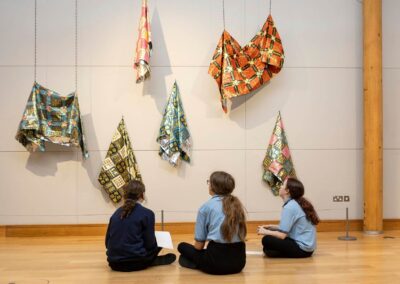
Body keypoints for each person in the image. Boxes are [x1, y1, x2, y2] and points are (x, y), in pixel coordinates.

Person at [177, 171, 247, 275]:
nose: (208, 185)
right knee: (197, 255)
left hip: (216, 264)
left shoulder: (206, 207)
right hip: (239, 264)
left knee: (182, 246)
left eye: (209, 182)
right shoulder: (238, 206)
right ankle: (199, 262)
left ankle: (197, 263)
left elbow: (199, 246)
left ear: (213, 186)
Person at [105, 180, 176, 271]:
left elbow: (107, 243)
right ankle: (151, 261)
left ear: (125, 195)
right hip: (137, 262)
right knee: (160, 240)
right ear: (142, 195)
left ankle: (150, 261)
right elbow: (150, 244)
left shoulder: (116, 213)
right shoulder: (147, 213)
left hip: (114, 263)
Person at [257, 177, 319, 258]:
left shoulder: (290, 207)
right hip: (309, 249)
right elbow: (291, 227)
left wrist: (264, 231)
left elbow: (282, 235)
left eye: (282, 185)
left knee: (266, 239)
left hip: (302, 250)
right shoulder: (296, 203)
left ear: (287, 191)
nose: (280, 187)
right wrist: (271, 227)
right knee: (269, 249)